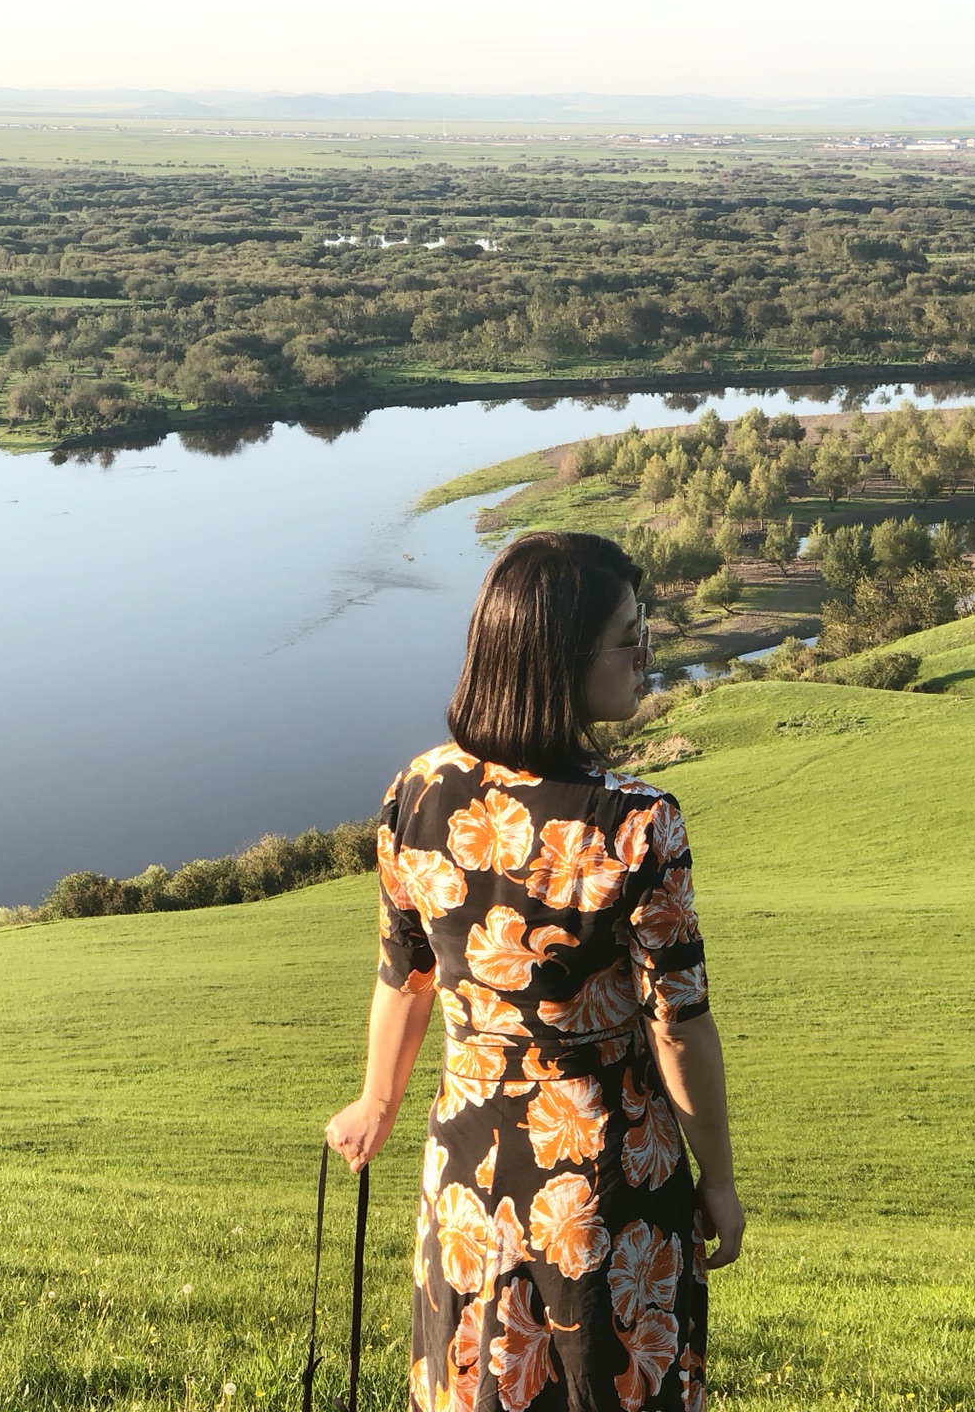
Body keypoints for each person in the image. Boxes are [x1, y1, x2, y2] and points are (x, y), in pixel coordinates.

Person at [326, 530, 742, 1412]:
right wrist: (723, 1183)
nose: (646, 658)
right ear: (561, 658)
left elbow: (403, 974)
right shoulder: (637, 823)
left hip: (467, 1175)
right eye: (629, 638)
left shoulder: (419, 792)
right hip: (606, 1177)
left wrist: (377, 1102)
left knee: (482, 1389)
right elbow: (679, 1023)